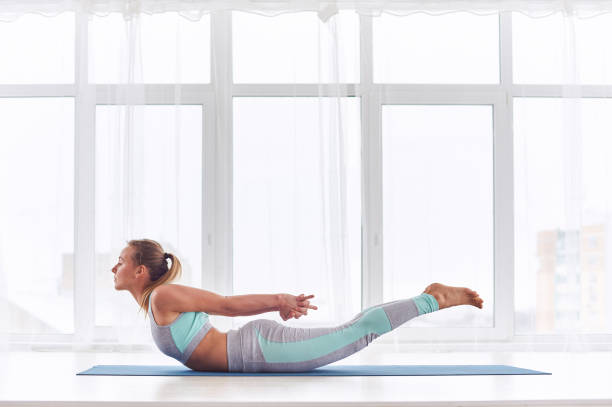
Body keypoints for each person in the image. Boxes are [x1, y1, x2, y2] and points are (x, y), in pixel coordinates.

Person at [112, 238, 484, 373]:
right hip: (253, 351)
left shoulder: (162, 295)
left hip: (257, 351)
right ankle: (430, 295)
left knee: (355, 334)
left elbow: (225, 305)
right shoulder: (158, 301)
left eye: (122, 260)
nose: (115, 267)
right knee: (352, 332)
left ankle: (432, 299)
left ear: (141, 270)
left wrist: (279, 300)